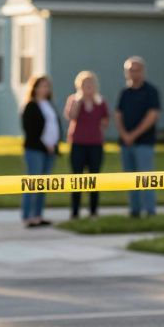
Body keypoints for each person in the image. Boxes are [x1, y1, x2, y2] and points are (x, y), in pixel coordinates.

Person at [114, 56, 161, 218]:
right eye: (130, 70)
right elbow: (118, 114)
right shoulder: (124, 93)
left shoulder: (151, 91)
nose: (133, 73)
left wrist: (133, 134)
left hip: (144, 143)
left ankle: (150, 211)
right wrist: (124, 135)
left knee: (146, 178)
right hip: (126, 143)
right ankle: (134, 211)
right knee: (130, 178)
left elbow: (152, 115)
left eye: (136, 70)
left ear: (142, 71)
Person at [64, 70, 109, 219]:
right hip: (78, 144)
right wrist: (80, 100)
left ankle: (93, 211)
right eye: (85, 84)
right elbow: (72, 116)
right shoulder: (74, 99)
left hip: (95, 144)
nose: (88, 86)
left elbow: (105, 121)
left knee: (94, 178)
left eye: (90, 84)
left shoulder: (100, 101)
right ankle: (75, 212)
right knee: (77, 178)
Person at [20, 74, 61, 227]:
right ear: (35, 88)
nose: (45, 89)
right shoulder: (31, 106)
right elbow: (30, 130)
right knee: (33, 183)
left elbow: (54, 127)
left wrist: (54, 145)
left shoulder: (49, 105)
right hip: (35, 150)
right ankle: (27, 216)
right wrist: (45, 145)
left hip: (49, 151)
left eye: (47, 86)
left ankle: (38, 215)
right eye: (42, 86)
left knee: (43, 185)